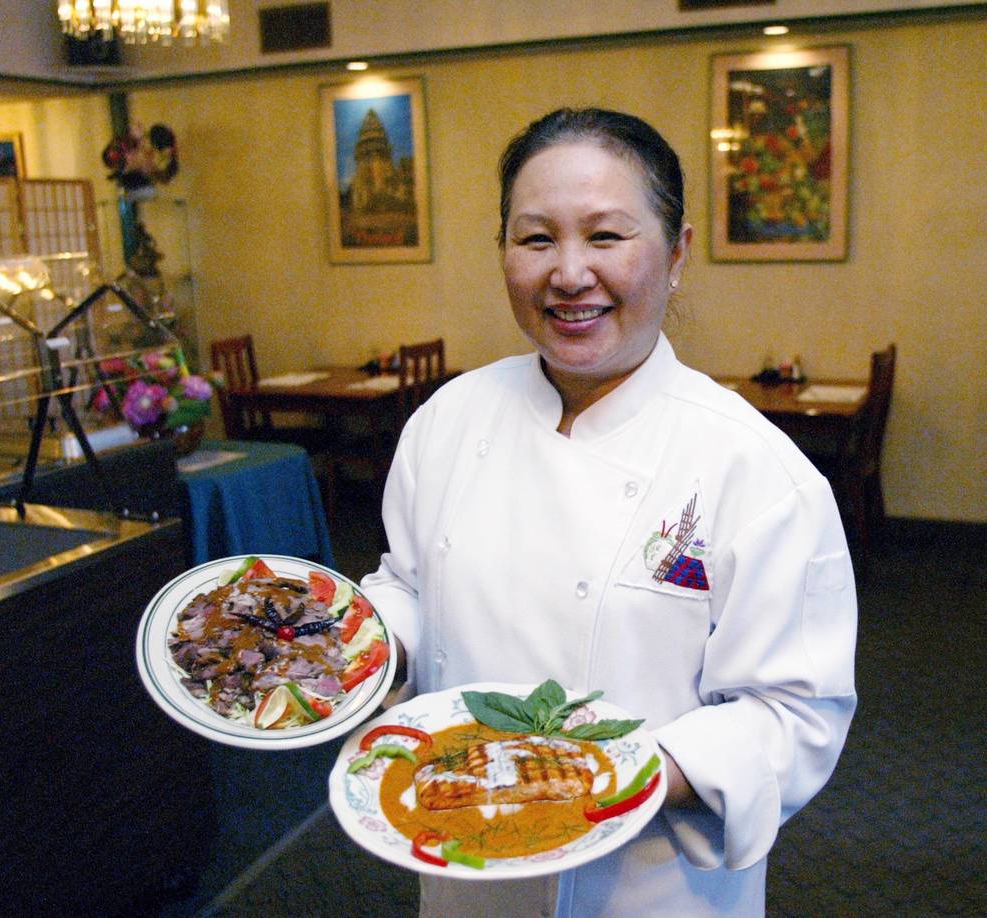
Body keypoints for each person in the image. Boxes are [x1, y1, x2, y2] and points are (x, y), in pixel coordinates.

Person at [360, 108, 857, 917]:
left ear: (678, 253)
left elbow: (793, 718)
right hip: (458, 858)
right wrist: (362, 645)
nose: (568, 273)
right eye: (536, 239)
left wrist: (597, 781)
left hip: (650, 887)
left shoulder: (756, 470)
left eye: (606, 236)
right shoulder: (446, 422)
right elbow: (409, 585)